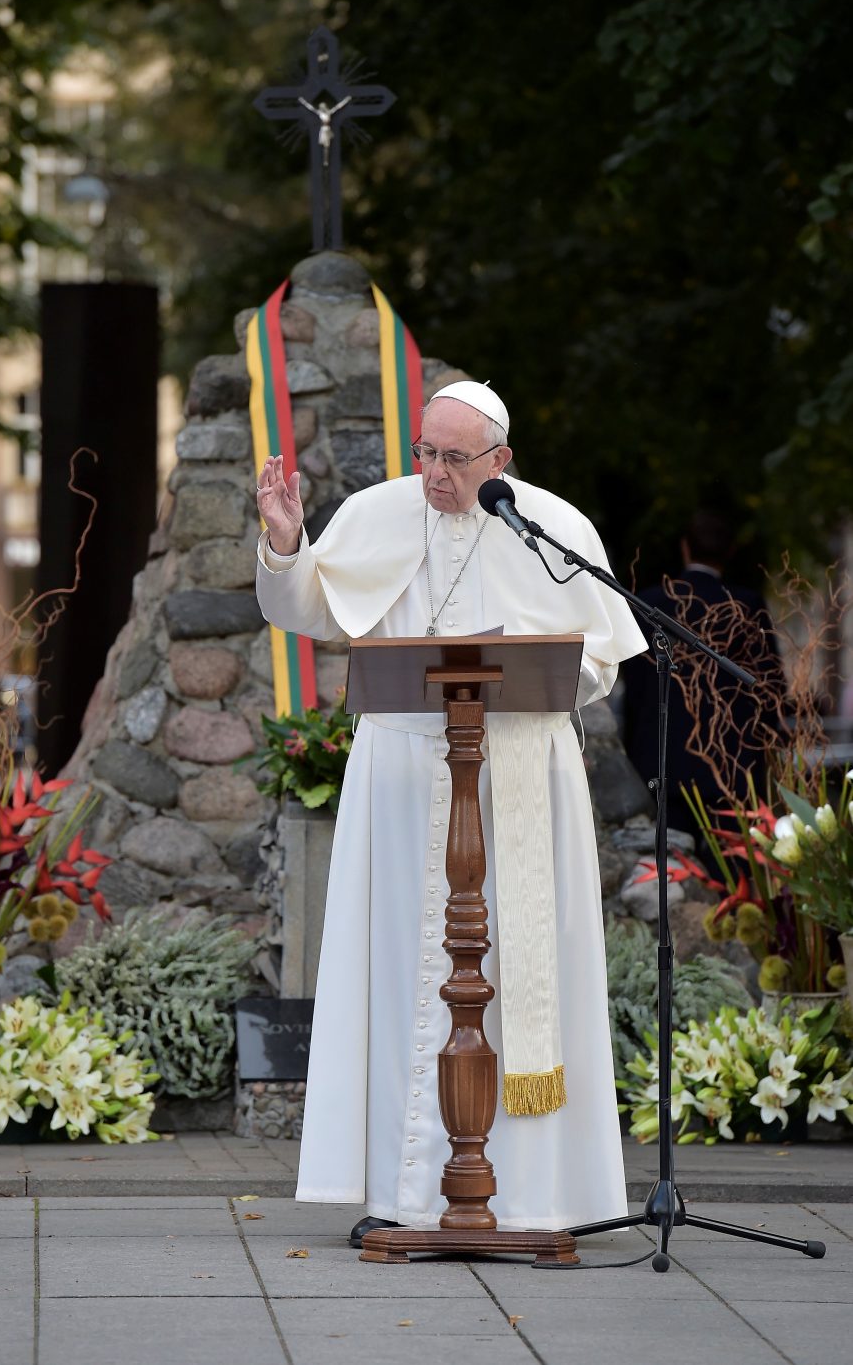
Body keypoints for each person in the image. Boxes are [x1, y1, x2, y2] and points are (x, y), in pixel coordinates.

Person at [255, 381, 647, 1245]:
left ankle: (537, 1196)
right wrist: (288, 545)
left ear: (499, 461)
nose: (432, 472)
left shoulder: (554, 527)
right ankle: (408, 1195)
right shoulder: (377, 512)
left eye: (453, 458)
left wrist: (533, 669)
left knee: (518, 978)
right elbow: (306, 610)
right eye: (425, 452)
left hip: (521, 772)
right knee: (401, 972)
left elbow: (599, 664)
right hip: (400, 776)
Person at [621, 509, 785, 838]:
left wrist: (634, 744)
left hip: (662, 758)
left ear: (685, 547)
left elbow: (634, 685)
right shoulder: (745, 604)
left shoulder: (650, 603)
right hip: (731, 763)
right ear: (730, 553)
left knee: (670, 872)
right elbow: (768, 686)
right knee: (731, 874)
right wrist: (770, 741)